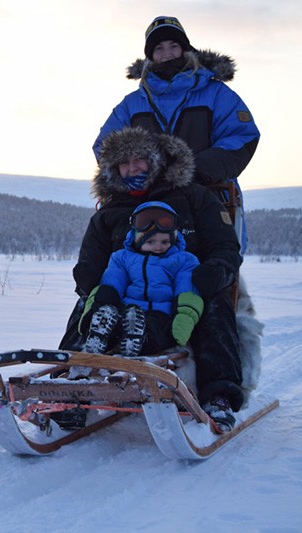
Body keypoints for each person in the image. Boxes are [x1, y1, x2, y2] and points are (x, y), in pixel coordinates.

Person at [59, 127, 242, 431]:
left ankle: (219, 397)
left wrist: (215, 270)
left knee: (215, 307)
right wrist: (90, 282)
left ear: (156, 161)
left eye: (139, 160)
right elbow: (91, 258)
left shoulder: (195, 196)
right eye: (124, 163)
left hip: (184, 289)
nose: (132, 168)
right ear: (114, 170)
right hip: (126, 295)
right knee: (87, 309)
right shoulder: (110, 210)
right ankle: (66, 388)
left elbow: (225, 246)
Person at [93, 16, 259, 255]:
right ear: (150, 56)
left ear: (185, 48)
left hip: (207, 193)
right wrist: (136, 175)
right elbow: (105, 145)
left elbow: (241, 135)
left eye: (173, 45)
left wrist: (194, 169)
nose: (167, 53)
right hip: (143, 197)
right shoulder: (132, 104)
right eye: (158, 48)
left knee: (215, 255)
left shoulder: (216, 94)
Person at [79, 201, 203, 359]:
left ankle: (138, 338)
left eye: (164, 242)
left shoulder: (183, 260)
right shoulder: (122, 258)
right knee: (117, 319)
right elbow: (111, 284)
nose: (158, 247)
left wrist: (184, 318)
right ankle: (102, 335)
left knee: (158, 332)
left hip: (161, 313)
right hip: (127, 311)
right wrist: (95, 309)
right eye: (150, 242)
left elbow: (187, 291)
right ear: (137, 239)